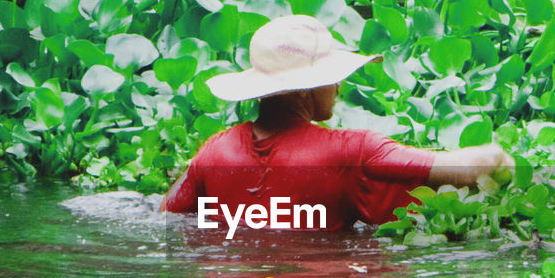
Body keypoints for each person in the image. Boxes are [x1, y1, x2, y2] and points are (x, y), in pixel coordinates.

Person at [163, 14, 514, 232]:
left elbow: (168, 212)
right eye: (331, 76)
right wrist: (498, 154)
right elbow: (466, 169)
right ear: (302, 92)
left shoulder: (213, 151)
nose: (339, 85)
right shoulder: (352, 151)